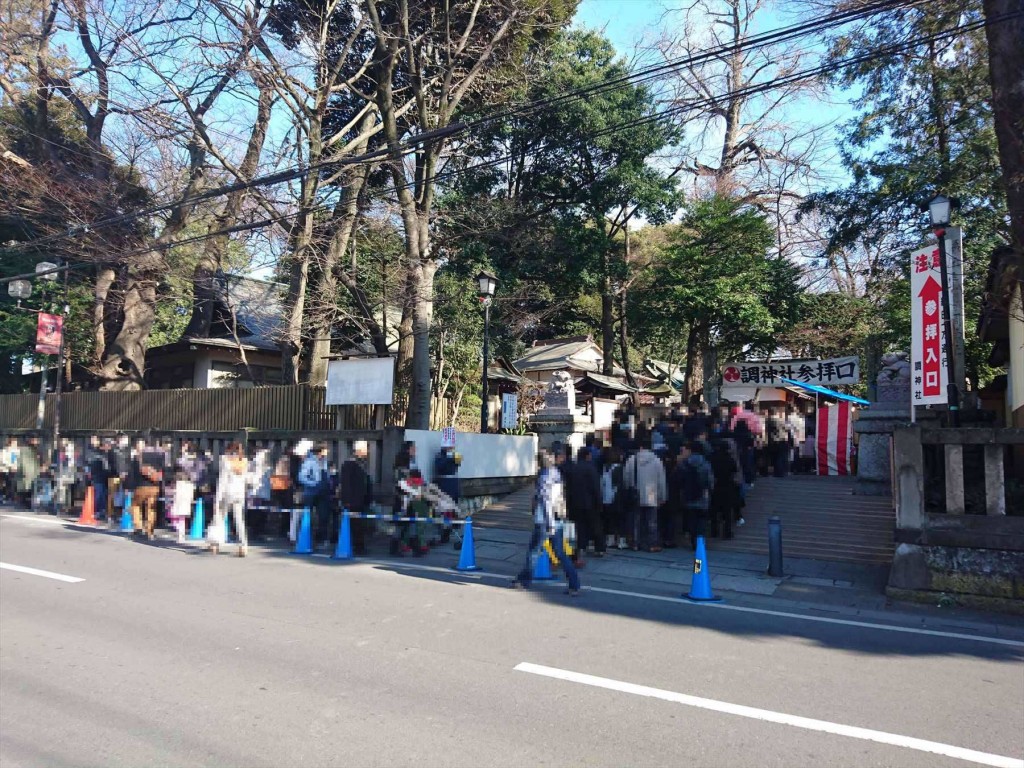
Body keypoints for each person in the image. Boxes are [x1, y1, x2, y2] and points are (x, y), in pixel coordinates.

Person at [510, 443, 581, 596]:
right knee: (560, 553)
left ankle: (523, 580)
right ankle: (574, 583)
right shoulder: (556, 473)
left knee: (534, 551)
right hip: (557, 517)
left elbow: (546, 500)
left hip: (545, 520)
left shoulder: (544, 476)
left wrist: (549, 523)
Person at [622, 435, 667, 552]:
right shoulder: (657, 461)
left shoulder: (632, 460)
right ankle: (652, 544)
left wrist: (629, 488)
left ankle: (635, 543)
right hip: (652, 495)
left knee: (636, 521)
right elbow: (661, 480)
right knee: (652, 521)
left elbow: (626, 478)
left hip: (636, 495)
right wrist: (662, 496)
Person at [210, 442, 249, 556]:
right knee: (239, 520)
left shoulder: (227, 462)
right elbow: (246, 480)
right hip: (240, 494)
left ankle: (215, 543)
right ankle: (243, 546)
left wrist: (217, 498)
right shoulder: (244, 462)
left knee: (219, 517)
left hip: (228, 493)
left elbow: (222, 481)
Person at [568, 445, 603, 564]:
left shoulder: (574, 468)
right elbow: (595, 487)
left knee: (580, 526)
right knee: (595, 525)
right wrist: (599, 501)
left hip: (576, 502)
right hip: (590, 502)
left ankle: (581, 546)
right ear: (588, 456)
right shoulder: (591, 468)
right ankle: (599, 548)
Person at [676, 441, 714, 548]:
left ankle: (693, 541)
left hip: (688, 494)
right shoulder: (705, 464)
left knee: (691, 518)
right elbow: (710, 480)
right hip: (702, 495)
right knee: (701, 519)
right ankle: (700, 540)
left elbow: (680, 479)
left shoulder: (684, 463)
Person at [340, 441, 373, 555]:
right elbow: (346, 484)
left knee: (359, 524)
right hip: (353, 500)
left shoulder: (361, 464)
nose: (367, 452)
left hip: (361, 500)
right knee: (355, 524)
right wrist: (347, 500)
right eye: (365, 449)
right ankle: (357, 546)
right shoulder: (349, 464)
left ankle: (359, 545)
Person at [298, 443, 331, 550]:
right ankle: (306, 539)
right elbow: (302, 477)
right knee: (309, 517)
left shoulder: (324, 462)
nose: (327, 452)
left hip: (324, 492)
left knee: (323, 516)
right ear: (320, 451)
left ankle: (320, 539)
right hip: (312, 492)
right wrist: (313, 483)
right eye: (325, 450)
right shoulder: (310, 461)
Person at [131, 437, 165, 540]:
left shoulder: (139, 456)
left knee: (135, 505)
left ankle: (138, 527)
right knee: (151, 508)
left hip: (141, 485)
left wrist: (129, 486)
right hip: (154, 486)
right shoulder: (160, 455)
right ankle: (150, 531)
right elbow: (163, 470)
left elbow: (134, 473)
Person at [708, 436, 742, 539]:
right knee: (727, 511)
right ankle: (727, 532)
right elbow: (734, 469)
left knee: (714, 510)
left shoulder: (712, 457)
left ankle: (714, 531)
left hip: (715, 485)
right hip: (727, 485)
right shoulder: (729, 458)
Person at [600, 447, 626, 550]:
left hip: (606, 498)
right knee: (620, 520)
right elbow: (620, 484)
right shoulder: (619, 468)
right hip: (617, 498)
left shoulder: (605, 467)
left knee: (609, 520)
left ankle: (610, 540)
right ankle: (621, 541)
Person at [85, 436, 110, 521]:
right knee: (98, 494)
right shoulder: (89, 451)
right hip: (96, 476)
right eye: (92, 439)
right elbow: (87, 463)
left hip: (105, 475)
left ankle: (102, 510)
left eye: (95, 439)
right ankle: (97, 511)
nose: (93, 441)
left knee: (104, 494)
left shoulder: (102, 452)